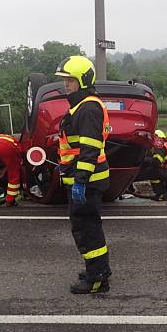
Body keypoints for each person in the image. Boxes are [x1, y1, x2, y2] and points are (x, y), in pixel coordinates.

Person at [55, 55, 112, 294]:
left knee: (86, 228)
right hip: (84, 177)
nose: (66, 84)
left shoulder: (88, 107)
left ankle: (96, 278)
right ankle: (97, 269)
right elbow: (79, 146)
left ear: (82, 80)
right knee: (88, 226)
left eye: (70, 80)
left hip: (87, 181)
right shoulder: (83, 106)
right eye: (65, 80)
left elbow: (89, 150)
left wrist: (79, 181)